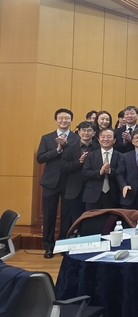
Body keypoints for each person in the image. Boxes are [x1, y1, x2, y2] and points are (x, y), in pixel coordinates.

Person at [36, 108, 79, 258]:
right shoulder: (47, 138)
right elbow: (40, 158)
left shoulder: (76, 138)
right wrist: (58, 150)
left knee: (66, 215)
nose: (63, 121)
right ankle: (48, 246)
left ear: (71, 120)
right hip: (50, 182)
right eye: (61, 118)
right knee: (49, 215)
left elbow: (78, 157)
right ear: (56, 120)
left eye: (67, 118)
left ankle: (62, 245)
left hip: (69, 182)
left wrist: (66, 146)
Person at [60, 121, 98, 238]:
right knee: (73, 220)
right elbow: (63, 168)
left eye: (89, 130)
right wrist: (79, 162)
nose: (86, 133)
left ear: (94, 133)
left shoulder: (98, 148)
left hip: (93, 189)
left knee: (91, 219)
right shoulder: (69, 149)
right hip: (74, 190)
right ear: (79, 132)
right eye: (83, 130)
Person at [82, 128, 121, 210]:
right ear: (99, 140)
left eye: (109, 137)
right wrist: (100, 172)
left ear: (114, 140)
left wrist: (110, 171)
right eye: (103, 137)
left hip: (113, 195)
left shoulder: (121, 156)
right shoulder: (91, 155)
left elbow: (122, 173)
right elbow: (85, 173)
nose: (105, 139)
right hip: (93, 195)